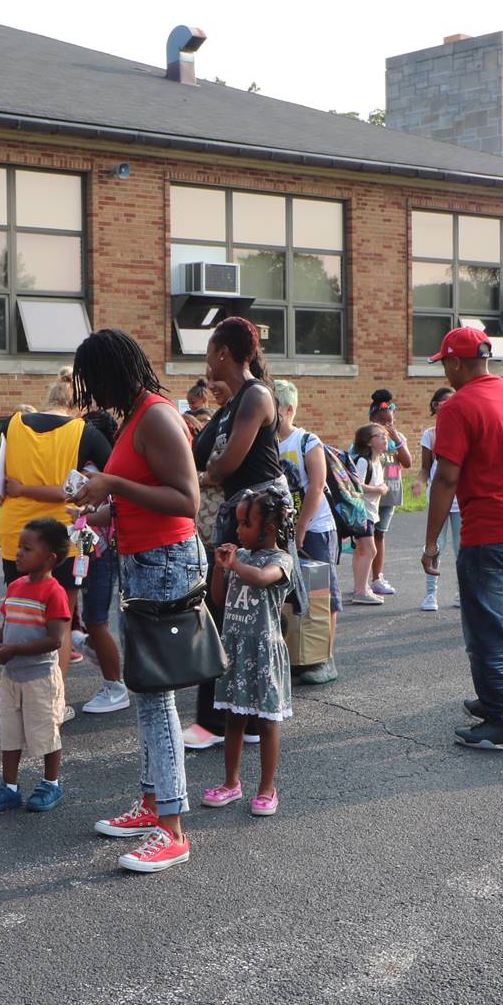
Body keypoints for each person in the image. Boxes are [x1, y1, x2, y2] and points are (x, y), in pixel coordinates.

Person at [72, 329, 204, 874]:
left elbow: (186, 500)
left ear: (111, 375)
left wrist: (113, 486)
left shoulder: (154, 416)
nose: (91, 396)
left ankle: (171, 828)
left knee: (155, 694)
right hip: (143, 560)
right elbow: (135, 500)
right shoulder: (134, 416)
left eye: (94, 383)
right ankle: (152, 803)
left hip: (167, 564)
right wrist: (93, 506)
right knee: (144, 688)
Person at [421, 327, 503, 751]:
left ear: (457, 363)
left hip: (490, 531)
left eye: (445, 365)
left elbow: (447, 479)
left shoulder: (457, 407)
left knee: (487, 633)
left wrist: (431, 542)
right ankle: (499, 699)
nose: (446, 373)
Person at [187, 317, 283, 748]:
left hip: (257, 524)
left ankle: (227, 722)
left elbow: (224, 466)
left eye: (209, 350)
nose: (206, 360)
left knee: (241, 618)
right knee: (222, 612)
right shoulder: (228, 406)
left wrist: (201, 477)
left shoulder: (257, 396)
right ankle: (226, 719)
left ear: (223, 352)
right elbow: (199, 457)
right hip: (234, 518)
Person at [201, 486, 295, 817]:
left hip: (264, 652)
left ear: (268, 529)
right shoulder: (240, 558)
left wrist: (236, 565)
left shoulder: (281, 561)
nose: (238, 531)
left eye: (245, 524)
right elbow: (218, 599)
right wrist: (219, 568)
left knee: (267, 722)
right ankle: (231, 783)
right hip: (236, 648)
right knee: (233, 719)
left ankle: (267, 788)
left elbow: (259, 579)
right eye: (238, 524)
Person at [0, 370, 113, 606]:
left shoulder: (11, 424)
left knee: (20, 611)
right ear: (80, 405)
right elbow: (115, 475)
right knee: (61, 620)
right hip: (63, 537)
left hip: (18, 534)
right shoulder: (85, 431)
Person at [0, 517, 72, 813]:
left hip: (40, 677)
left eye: (27, 549)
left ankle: (51, 783)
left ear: (49, 558)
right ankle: (10, 787)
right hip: (12, 676)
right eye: (19, 547)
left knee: (45, 731)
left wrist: (15, 649)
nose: (18, 553)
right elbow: (6, 626)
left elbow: (55, 639)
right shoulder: (16, 586)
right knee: (10, 732)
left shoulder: (53, 592)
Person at [273, 379, 352, 678]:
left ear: (288, 409)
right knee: (295, 594)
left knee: (322, 592)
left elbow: (317, 485)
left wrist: (302, 526)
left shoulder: (307, 440)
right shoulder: (267, 442)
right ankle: (301, 655)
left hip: (316, 528)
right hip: (286, 531)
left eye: (274, 408)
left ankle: (325, 658)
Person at [72, 408, 128, 714]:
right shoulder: (105, 465)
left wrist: (81, 513)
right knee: (92, 619)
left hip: (99, 550)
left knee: (96, 619)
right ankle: (92, 646)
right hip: (92, 548)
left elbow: (102, 510)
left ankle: (115, 686)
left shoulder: (92, 470)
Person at [411, 387, 460, 612]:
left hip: (462, 501)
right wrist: (418, 482)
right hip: (439, 500)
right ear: (435, 406)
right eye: (443, 402)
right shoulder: (430, 434)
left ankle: (463, 593)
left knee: (463, 550)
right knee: (434, 547)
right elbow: (425, 469)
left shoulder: (463, 431)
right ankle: (431, 594)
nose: (448, 405)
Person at [365, 389, 414, 597]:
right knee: (366, 537)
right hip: (369, 495)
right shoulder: (366, 438)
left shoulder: (397, 438)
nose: (386, 426)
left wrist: (396, 439)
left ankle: (377, 578)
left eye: (390, 422)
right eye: (382, 422)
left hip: (389, 495)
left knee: (380, 535)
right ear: (372, 420)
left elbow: (408, 462)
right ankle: (363, 580)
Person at [347, 424, 391, 606]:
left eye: (385, 436)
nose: (384, 439)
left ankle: (361, 586)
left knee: (361, 551)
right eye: (380, 436)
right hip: (361, 512)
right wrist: (379, 489)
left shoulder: (378, 461)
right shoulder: (363, 461)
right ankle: (361, 590)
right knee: (370, 550)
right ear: (368, 441)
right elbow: (355, 485)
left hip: (370, 512)